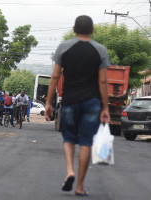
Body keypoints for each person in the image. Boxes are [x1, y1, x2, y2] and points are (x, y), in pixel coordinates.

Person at [45, 15, 111, 196]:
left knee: (68, 138)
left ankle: (69, 171)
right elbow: (103, 81)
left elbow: (55, 77)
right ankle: (80, 186)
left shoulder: (64, 47)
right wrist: (105, 108)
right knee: (86, 142)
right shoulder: (100, 50)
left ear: (74, 29)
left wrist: (48, 102)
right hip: (92, 103)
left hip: (70, 101)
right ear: (92, 30)